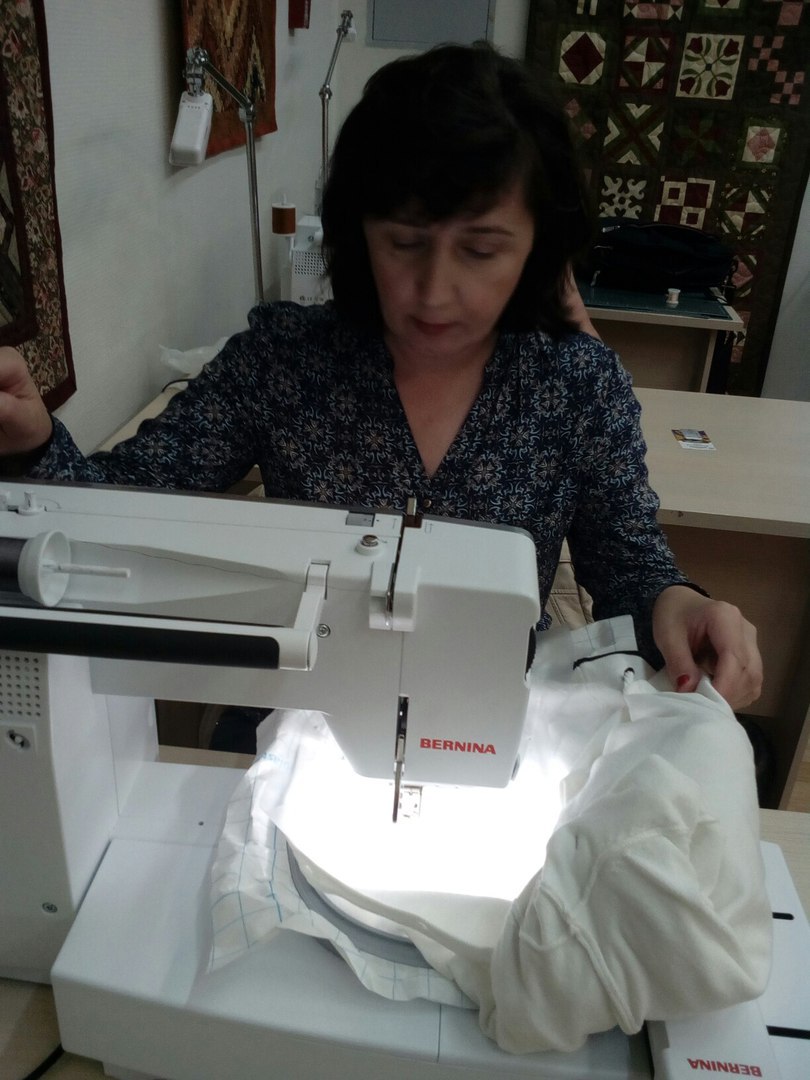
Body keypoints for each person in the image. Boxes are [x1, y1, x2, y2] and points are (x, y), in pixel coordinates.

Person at [0, 42, 760, 710]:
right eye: (404, 243)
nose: (435, 292)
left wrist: (679, 604)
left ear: (538, 247)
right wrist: (34, 443)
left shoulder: (577, 386)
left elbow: (628, 563)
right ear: (358, 232)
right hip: (298, 703)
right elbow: (115, 513)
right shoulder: (282, 362)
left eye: (481, 251)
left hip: (495, 708)